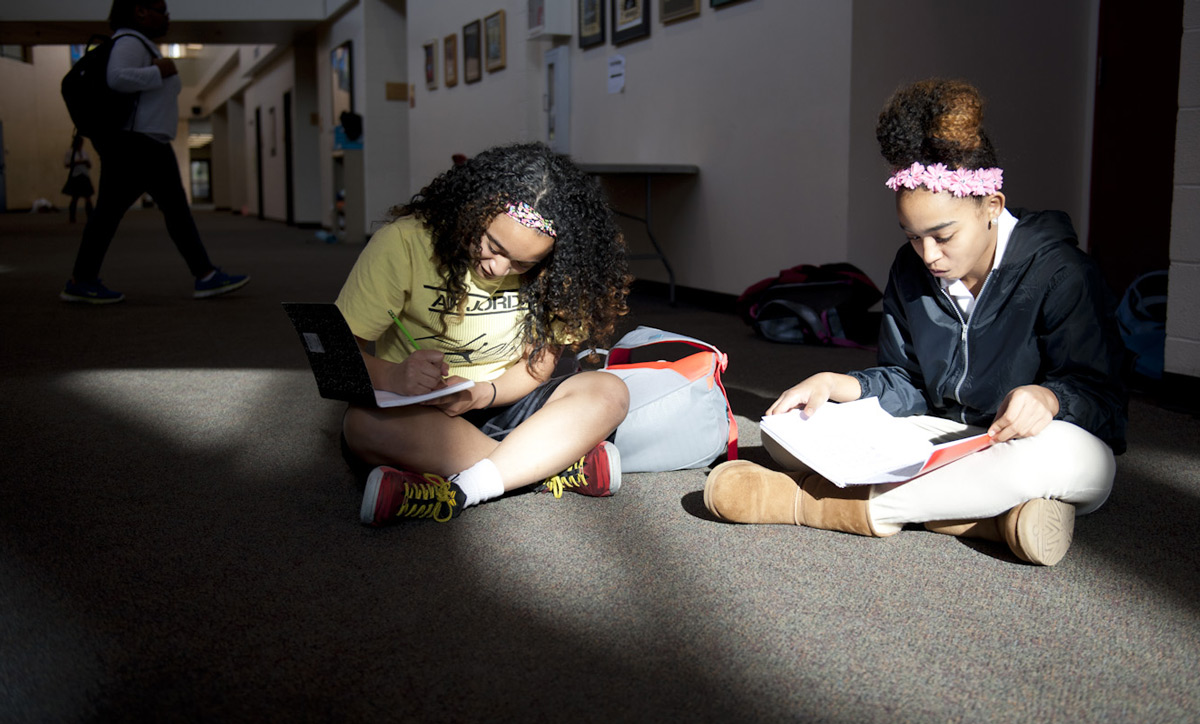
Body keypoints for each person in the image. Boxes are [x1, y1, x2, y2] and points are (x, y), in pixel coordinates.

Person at [704, 79, 1127, 566]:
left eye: (943, 236)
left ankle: (809, 504)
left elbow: (1105, 402)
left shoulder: (1062, 272)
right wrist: (841, 384)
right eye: (912, 237)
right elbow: (908, 383)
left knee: (1065, 458)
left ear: (992, 206)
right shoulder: (909, 270)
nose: (928, 255)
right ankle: (987, 520)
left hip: (1021, 444)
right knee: (784, 431)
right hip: (941, 435)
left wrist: (1050, 398)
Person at [340, 142, 633, 525]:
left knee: (609, 391)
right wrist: (395, 375)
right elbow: (338, 355)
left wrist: (482, 393)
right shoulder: (404, 243)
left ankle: (461, 486)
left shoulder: (560, 273)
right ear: (475, 207)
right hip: (422, 411)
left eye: (522, 264)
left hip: (507, 403)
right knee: (360, 425)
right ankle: (547, 466)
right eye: (494, 246)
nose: (498, 268)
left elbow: (537, 369)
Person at [60, 0, 248, 305]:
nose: (168, 17)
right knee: (164, 212)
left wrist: (156, 70)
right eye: (162, 9)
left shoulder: (138, 43)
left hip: (143, 143)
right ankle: (204, 275)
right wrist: (158, 71)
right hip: (139, 143)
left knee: (134, 213)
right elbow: (117, 78)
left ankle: (204, 275)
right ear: (140, 10)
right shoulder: (130, 42)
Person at [62, 133, 95, 223]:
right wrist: (79, 162)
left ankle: (90, 217)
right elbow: (67, 164)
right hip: (76, 176)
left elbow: (89, 165)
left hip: (84, 176)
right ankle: (72, 217)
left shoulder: (84, 152)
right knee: (75, 198)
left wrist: (86, 162)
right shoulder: (70, 153)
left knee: (88, 198)